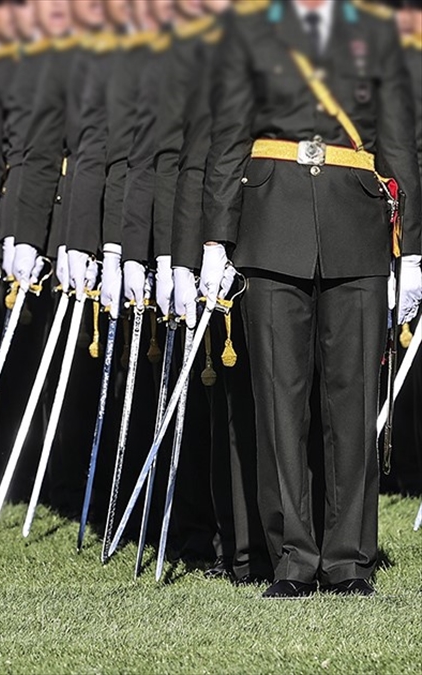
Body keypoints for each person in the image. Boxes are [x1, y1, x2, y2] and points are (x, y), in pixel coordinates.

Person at [202, 0, 421, 598]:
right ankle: (293, 557)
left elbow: (401, 139)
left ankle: (349, 558)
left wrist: (415, 251)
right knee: (278, 401)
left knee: (353, 401)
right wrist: (218, 241)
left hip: (358, 228)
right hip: (271, 227)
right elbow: (227, 137)